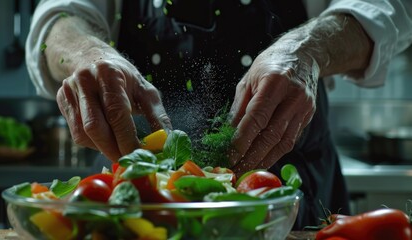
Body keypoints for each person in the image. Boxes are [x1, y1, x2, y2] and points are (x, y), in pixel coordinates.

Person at [26, 0, 412, 229]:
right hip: (134, 195)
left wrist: (308, 50)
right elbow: (60, 16)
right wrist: (85, 54)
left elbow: (390, 6)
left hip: (291, 201)